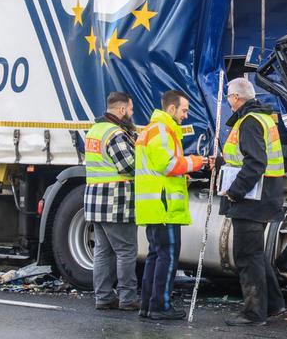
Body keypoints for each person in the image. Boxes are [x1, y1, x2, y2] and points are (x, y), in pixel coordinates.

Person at [135, 90, 208, 320]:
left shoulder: (151, 129)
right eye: (184, 110)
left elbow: (158, 169)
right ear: (171, 109)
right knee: (167, 256)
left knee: (155, 256)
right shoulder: (162, 130)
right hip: (163, 206)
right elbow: (168, 165)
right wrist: (199, 161)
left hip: (154, 205)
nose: (186, 115)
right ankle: (161, 306)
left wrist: (180, 176)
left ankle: (147, 306)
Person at [219, 78, 286, 326]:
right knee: (255, 254)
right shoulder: (263, 118)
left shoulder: (249, 122)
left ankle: (254, 313)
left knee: (246, 256)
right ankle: (273, 304)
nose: (227, 100)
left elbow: (255, 163)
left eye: (228, 96)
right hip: (266, 195)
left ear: (236, 98)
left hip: (251, 199)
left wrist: (234, 192)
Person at [84, 91, 139, 311]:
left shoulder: (95, 131)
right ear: (122, 109)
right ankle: (127, 298)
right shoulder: (115, 134)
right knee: (126, 251)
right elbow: (129, 166)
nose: (132, 113)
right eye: (131, 109)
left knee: (102, 251)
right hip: (116, 201)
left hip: (95, 200)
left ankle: (103, 297)